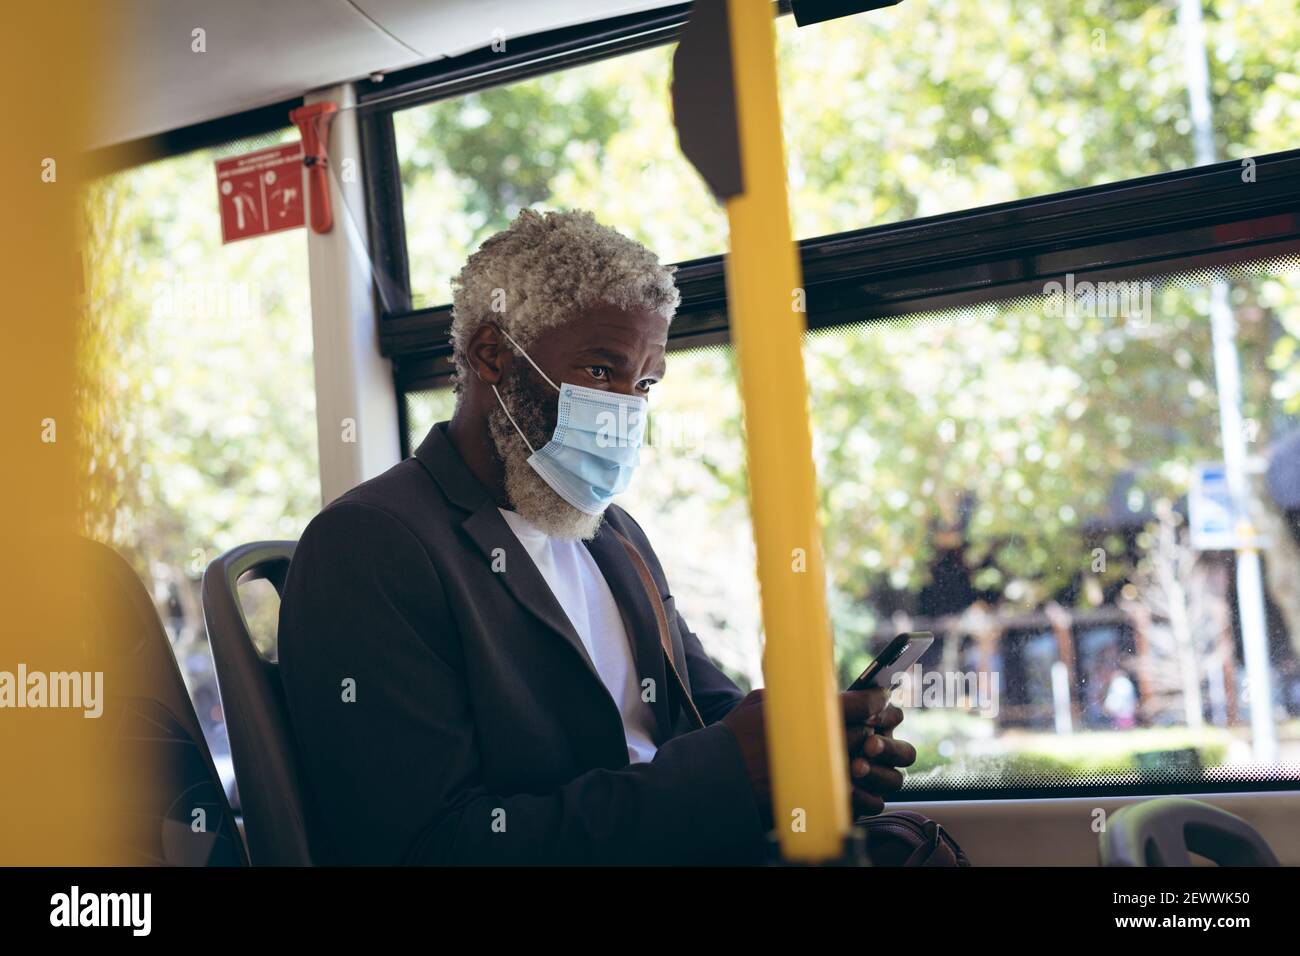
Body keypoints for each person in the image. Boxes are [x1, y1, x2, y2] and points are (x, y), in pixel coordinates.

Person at [277, 208, 914, 865]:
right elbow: (426, 847)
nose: (626, 408)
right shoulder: (372, 545)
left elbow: (704, 709)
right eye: (601, 372)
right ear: (493, 354)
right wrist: (724, 776)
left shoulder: (612, 535)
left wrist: (814, 751)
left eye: (645, 382)